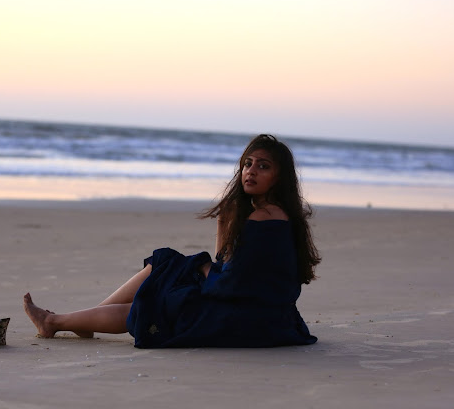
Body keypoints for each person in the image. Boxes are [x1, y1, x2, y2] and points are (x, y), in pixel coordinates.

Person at [23, 134, 321, 348]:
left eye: (263, 166)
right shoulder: (275, 213)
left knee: (159, 301)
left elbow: (228, 282)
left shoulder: (264, 218)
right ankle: (82, 321)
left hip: (248, 318)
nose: (251, 171)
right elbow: (229, 267)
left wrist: (202, 266)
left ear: (279, 177)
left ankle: (56, 322)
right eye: (247, 164)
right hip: (264, 314)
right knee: (168, 264)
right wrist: (221, 226)